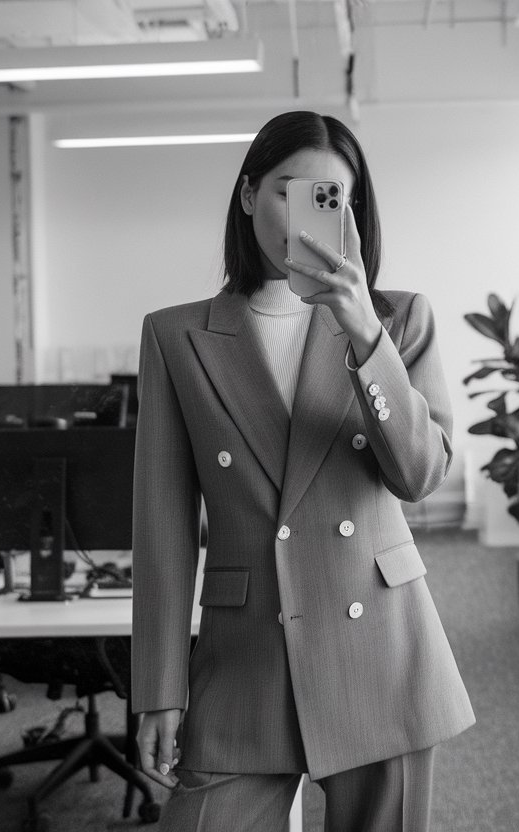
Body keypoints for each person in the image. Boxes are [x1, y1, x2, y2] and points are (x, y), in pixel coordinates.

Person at [131, 110, 474, 832]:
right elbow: (163, 528)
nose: (305, 214)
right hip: (246, 654)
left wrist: (361, 331)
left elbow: (418, 474)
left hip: (378, 648)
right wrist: (158, 687)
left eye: (331, 197)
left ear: (352, 213)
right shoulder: (176, 335)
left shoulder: (400, 320)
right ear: (250, 195)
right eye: (288, 189)